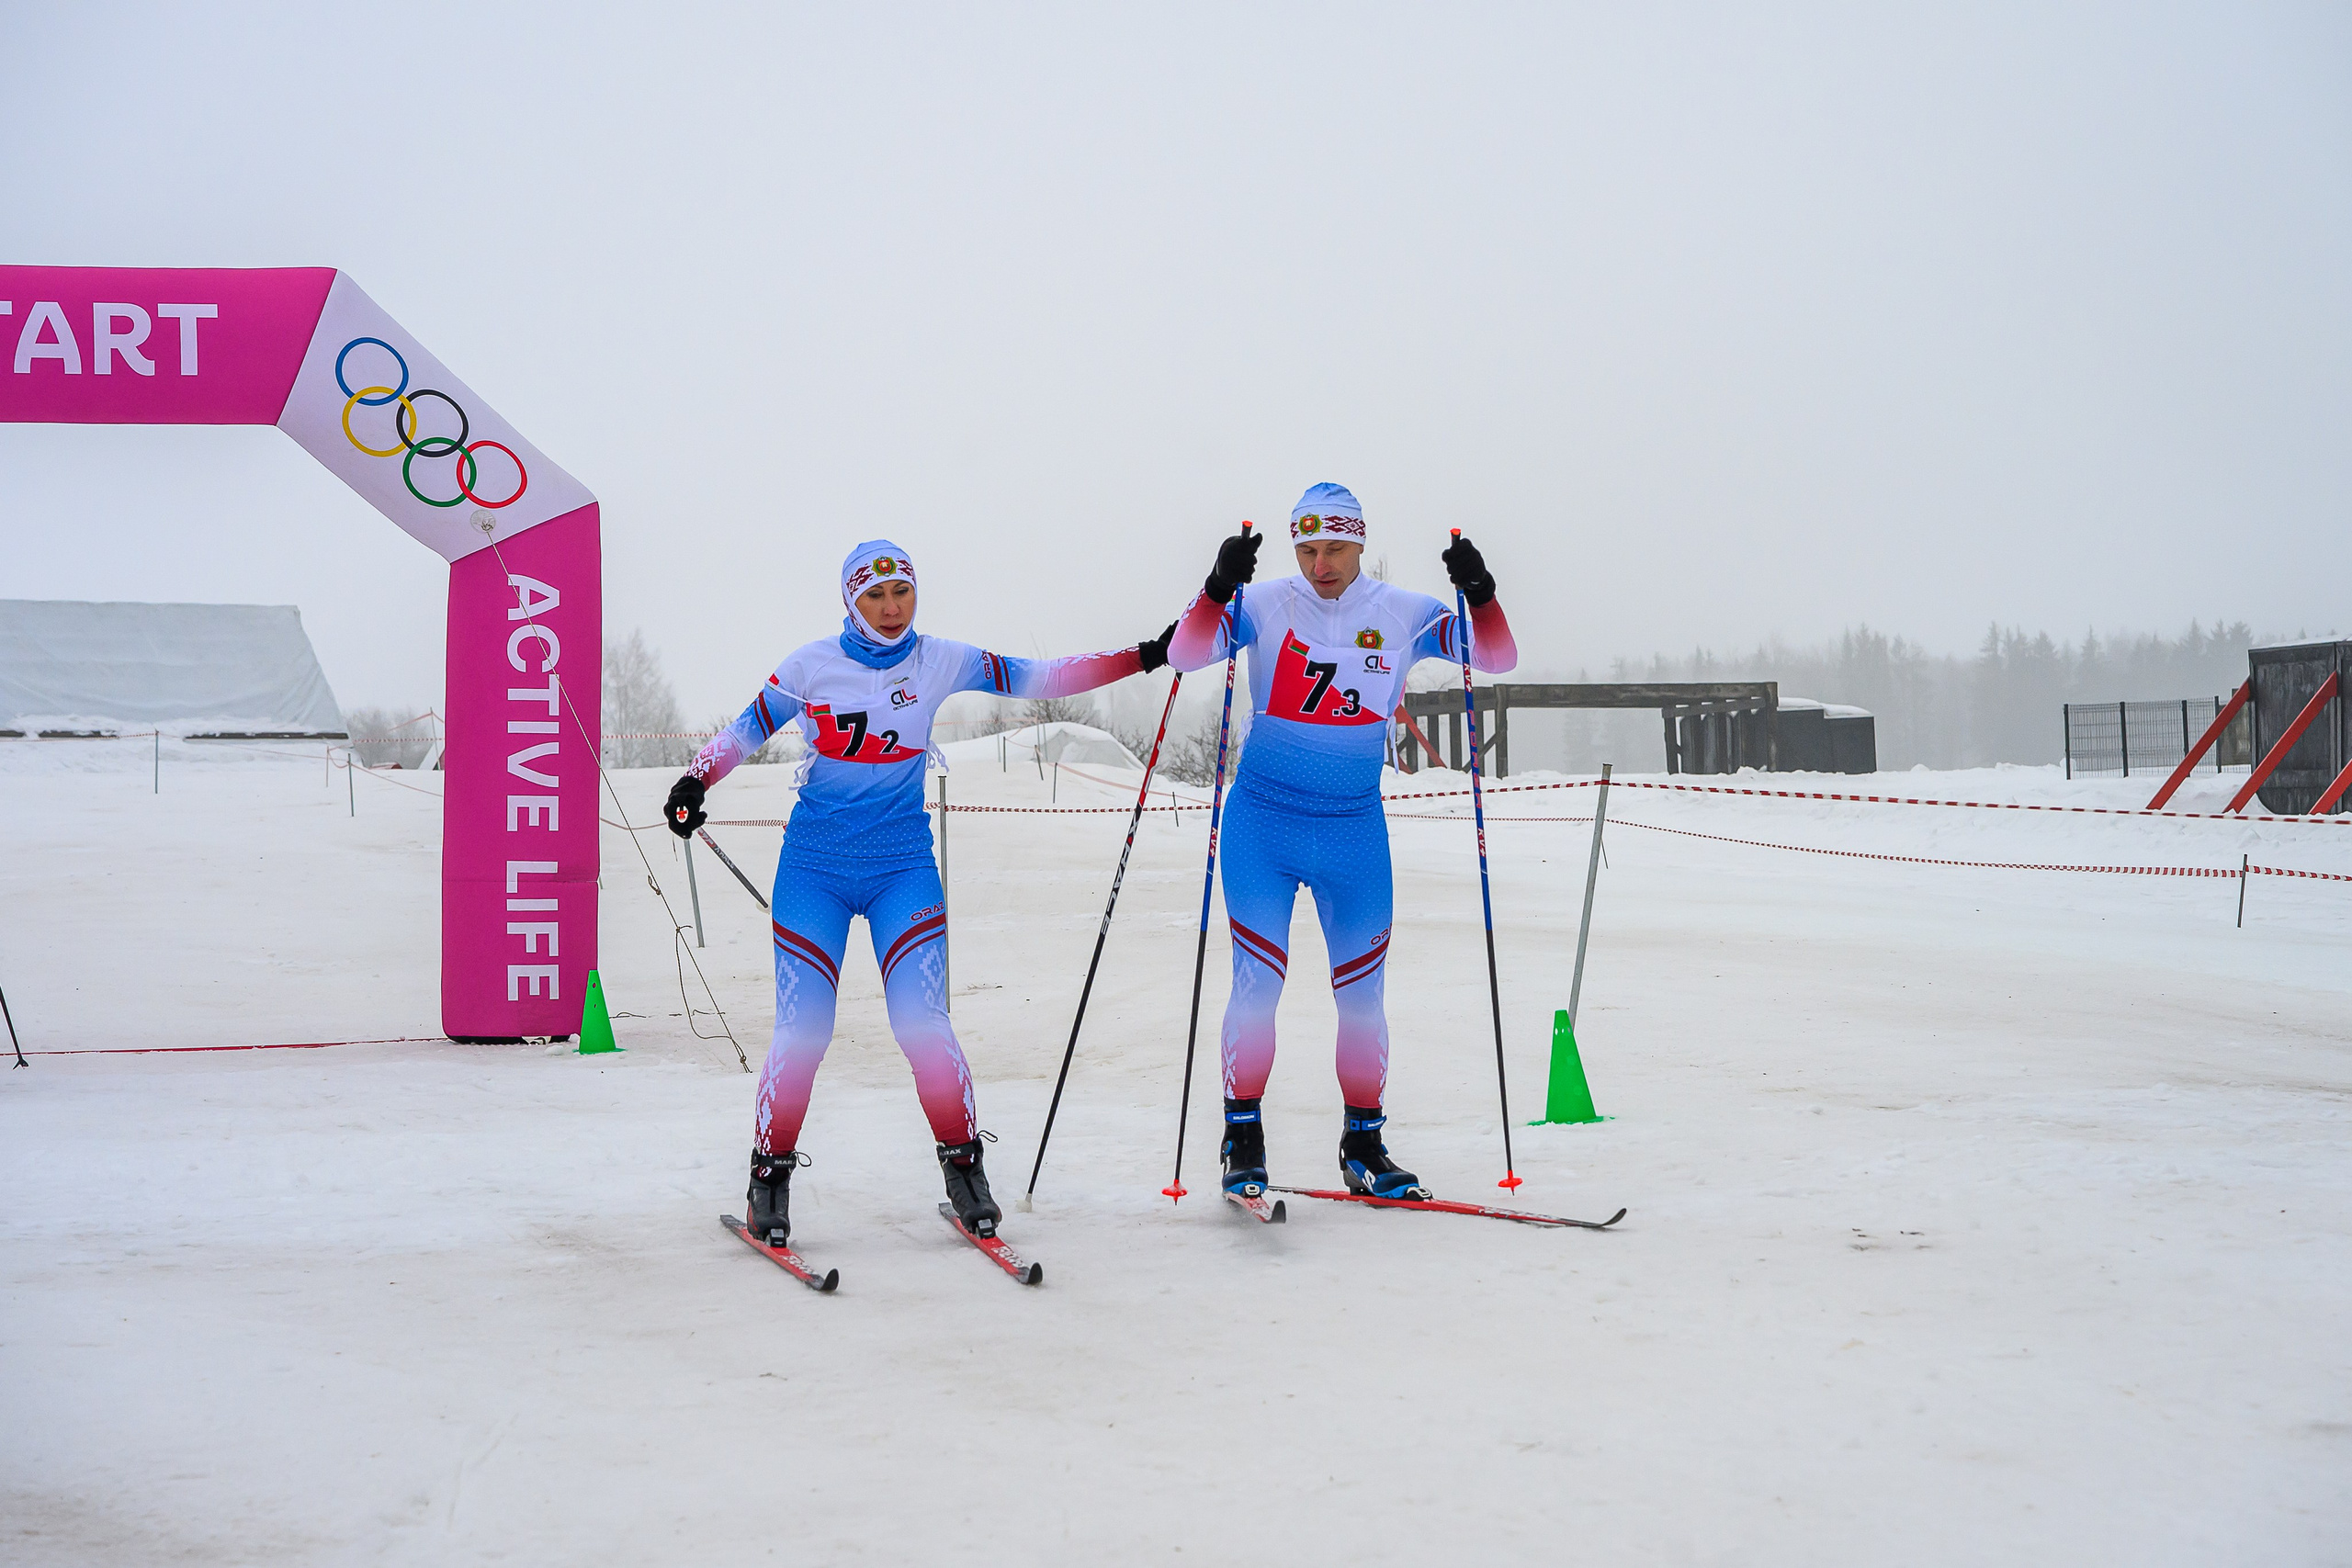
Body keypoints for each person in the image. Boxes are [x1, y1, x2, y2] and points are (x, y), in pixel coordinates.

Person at [666, 539, 1172, 1246]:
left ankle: (965, 1166)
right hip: (815, 869)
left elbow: (1039, 677)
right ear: (850, 601)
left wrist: (1144, 655)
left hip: (902, 865)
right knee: (805, 1032)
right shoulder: (811, 665)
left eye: (901, 592)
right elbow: (747, 727)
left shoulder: (940, 660)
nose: (891, 608)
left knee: (923, 1026)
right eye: (874, 596)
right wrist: (696, 780)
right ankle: (768, 1178)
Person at [1165, 484, 1516, 1201]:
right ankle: (1243, 1137)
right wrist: (1215, 588)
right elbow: (1185, 651)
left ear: (1360, 543)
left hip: (1354, 827)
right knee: (1258, 986)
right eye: (1307, 548)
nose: (1320, 563)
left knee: (1362, 997)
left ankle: (1364, 1143)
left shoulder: (1404, 612)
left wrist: (1480, 591)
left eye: (1333, 548)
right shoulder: (1264, 603)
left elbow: (1498, 656)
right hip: (1265, 820)